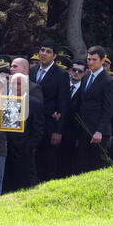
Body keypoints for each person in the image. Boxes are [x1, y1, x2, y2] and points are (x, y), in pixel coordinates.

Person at [30, 39, 70, 181]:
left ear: (54, 56)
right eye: (42, 50)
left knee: (48, 162)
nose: (44, 54)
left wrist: (58, 131)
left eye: (48, 51)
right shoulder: (32, 71)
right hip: (32, 124)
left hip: (50, 124)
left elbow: (63, 103)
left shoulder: (61, 74)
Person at [75, 46, 113, 173]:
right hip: (84, 128)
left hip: (98, 131)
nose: (91, 62)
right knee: (82, 164)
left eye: (94, 59)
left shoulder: (108, 80)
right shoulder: (86, 78)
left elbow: (108, 108)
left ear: (103, 60)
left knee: (96, 166)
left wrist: (100, 130)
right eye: (89, 59)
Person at [3, 74, 45, 192]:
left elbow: (38, 129)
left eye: (19, 83)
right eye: (13, 83)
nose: (16, 86)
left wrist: (28, 146)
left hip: (24, 152)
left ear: (26, 85)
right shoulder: (4, 100)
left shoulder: (34, 104)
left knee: (26, 185)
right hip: (5, 150)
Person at [59, 60, 87, 176]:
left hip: (73, 134)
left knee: (70, 165)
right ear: (70, 71)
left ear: (84, 73)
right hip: (58, 130)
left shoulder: (85, 91)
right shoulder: (62, 86)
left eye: (80, 71)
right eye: (74, 70)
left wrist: (78, 137)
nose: (76, 73)